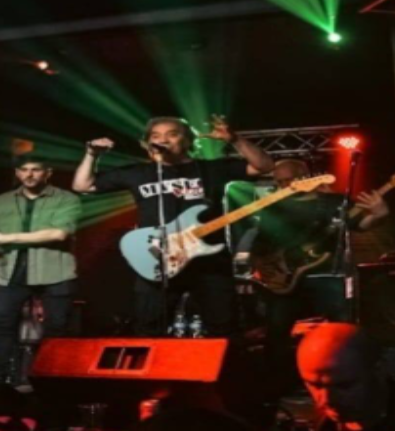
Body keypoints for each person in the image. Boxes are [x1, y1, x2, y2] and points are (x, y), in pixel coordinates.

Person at [73, 115, 273, 336]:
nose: (163, 140)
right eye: (156, 136)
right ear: (148, 143)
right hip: (158, 258)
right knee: (149, 328)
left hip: (208, 261)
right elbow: (82, 185)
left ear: (187, 141)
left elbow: (264, 166)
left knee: (224, 327)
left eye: (172, 134)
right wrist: (91, 154)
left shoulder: (211, 169)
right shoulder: (137, 173)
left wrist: (234, 139)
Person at [240, 158, 389, 396]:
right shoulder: (273, 207)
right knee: (277, 333)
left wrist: (379, 214)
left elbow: (361, 224)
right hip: (283, 279)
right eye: (278, 182)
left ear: (306, 176)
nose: (284, 186)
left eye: (288, 180)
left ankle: (345, 383)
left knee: (342, 332)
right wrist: (266, 268)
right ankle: (278, 388)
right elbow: (260, 245)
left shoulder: (334, 202)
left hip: (327, 273)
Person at [0, 152, 82, 387]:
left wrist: (6, 237)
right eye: (24, 170)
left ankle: (51, 382)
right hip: (8, 270)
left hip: (55, 271)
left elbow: (59, 233)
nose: (29, 175)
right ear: (17, 173)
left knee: (57, 327)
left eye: (35, 169)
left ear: (48, 173)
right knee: (0, 325)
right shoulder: (1, 201)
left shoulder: (66, 199)